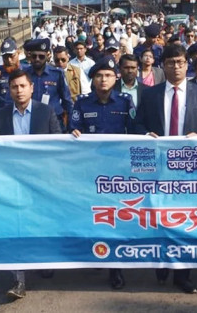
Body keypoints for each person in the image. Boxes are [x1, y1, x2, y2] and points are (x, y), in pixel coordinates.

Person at [133, 44, 197, 294]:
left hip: (188, 170)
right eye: (171, 62)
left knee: (184, 221)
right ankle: (161, 263)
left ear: (187, 64)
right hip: (158, 169)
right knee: (159, 217)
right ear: (163, 65)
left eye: (180, 62)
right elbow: (137, 125)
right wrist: (146, 135)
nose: (176, 67)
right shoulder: (150, 94)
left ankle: (183, 274)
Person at [0, 70, 60, 299]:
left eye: (23, 86)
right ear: (9, 90)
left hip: (40, 180)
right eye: (14, 87)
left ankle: (43, 260)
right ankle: (17, 279)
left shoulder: (46, 112)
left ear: (32, 88)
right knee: (15, 226)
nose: (19, 90)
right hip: (12, 180)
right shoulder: (1, 116)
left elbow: (59, 144)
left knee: (40, 223)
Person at [69, 57, 134, 290]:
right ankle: (96, 254)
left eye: (108, 75)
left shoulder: (125, 101)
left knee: (115, 218)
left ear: (116, 78)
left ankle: (115, 267)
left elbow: (135, 131)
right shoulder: (82, 103)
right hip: (90, 170)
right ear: (93, 80)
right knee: (93, 215)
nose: (103, 79)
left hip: (118, 173)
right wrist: (74, 133)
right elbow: (73, 130)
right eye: (98, 75)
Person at [23, 37, 73, 132]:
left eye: (41, 56)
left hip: (54, 121)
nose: (37, 59)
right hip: (31, 121)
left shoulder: (57, 74)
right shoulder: (24, 74)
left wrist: (72, 126)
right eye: (34, 56)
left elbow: (67, 100)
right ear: (30, 56)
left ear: (47, 56)